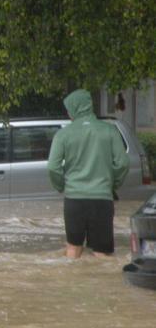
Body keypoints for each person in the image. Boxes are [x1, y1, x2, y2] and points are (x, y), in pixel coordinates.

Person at [47, 89, 129, 258]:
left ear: (75, 109)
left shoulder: (63, 135)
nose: (68, 113)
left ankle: (70, 284)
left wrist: (61, 185)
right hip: (102, 198)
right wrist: (112, 185)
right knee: (101, 254)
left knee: (73, 248)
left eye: (69, 109)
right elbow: (122, 163)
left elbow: (52, 167)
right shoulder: (109, 131)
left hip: (74, 200)